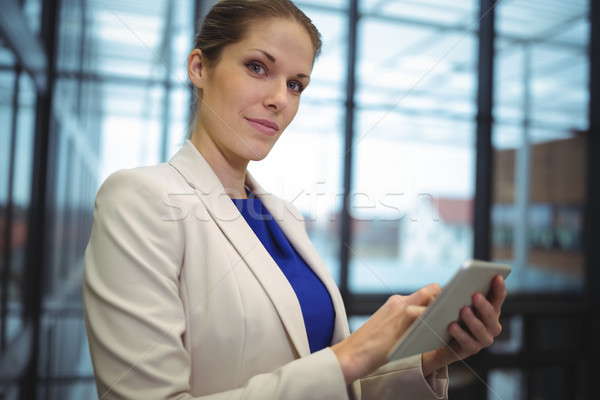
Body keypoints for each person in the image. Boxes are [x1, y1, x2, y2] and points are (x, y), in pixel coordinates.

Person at [82, 0, 507, 399]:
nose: (279, 99)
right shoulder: (139, 199)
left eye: (295, 84)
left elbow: (326, 379)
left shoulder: (284, 217)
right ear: (198, 67)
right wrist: (353, 354)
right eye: (256, 67)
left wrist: (431, 356)